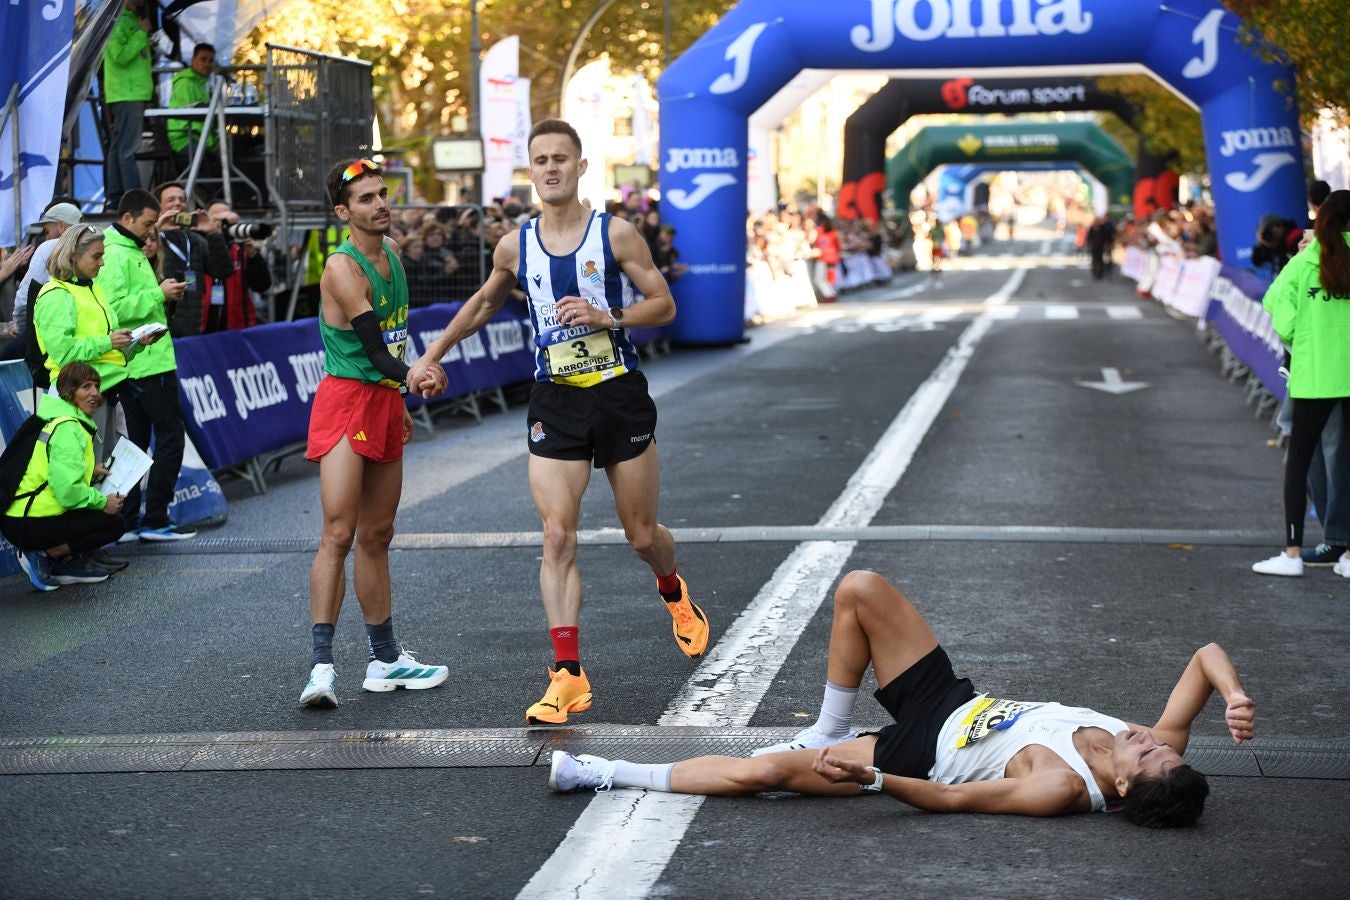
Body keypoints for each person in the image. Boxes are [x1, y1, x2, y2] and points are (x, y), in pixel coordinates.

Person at [406, 119, 709, 725]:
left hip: (618, 394)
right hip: (556, 400)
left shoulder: (616, 234)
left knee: (642, 536)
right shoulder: (515, 245)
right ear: (531, 169)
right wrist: (431, 355)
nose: (550, 168)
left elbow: (664, 304)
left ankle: (674, 592)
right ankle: (567, 674)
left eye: (560, 159)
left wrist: (607, 317)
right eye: (540, 159)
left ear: (580, 166)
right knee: (556, 535)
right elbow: (483, 304)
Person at [549, 571, 1255, 829]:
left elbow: (951, 801)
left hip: (922, 751)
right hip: (953, 699)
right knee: (859, 588)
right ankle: (823, 724)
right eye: (1160, 743)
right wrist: (1233, 694)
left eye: (1150, 753)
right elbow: (1204, 657)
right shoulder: (1154, 749)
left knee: (764, 777)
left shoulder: (1058, 789)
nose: (1150, 738)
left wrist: (877, 778)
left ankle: (603, 772)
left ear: (1127, 790)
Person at [297, 158, 448, 709]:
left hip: (384, 401)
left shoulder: (392, 258)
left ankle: (385, 661)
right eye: (366, 198)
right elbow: (375, 351)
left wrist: (405, 388)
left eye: (382, 194)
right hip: (346, 401)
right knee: (338, 532)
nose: (380, 204)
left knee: (377, 535)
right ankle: (320, 669)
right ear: (343, 211)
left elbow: (399, 343)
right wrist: (412, 375)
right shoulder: (343, 267)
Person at [1252, 190, 1350, 577]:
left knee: (1299, 463)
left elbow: (1282, 317)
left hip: (1314, 374)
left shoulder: (1304, 261)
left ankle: (1292, 554)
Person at [96, 188, 196, 542]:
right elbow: (114, 309)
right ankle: (154, 519)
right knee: (170, 435)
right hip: (145, 361)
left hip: (142, 359)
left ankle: (128, 519)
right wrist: (159, 293)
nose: (152, 231)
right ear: (127, 218)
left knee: (135, 442)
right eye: (147, 224)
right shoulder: (116, 251)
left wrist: (160, 296)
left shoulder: (126, 248)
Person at [32, 224, 160, 460]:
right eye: (96, 256)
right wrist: (108, 342)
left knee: (112, 475)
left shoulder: (94, 289)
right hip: (77, 398)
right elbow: (65, 355)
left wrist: (135, 343)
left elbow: (108, 353)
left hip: (105, 392)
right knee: (92, 477)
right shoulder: (56, 295)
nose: (102, 263)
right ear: (73, 257)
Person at [2, 362, 131, 591]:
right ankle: (45, 553)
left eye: (97, 386)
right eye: (86, 387)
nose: (95, 393)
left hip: (24, 516)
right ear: (70, 393)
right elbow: (68, 493)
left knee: (103, 513)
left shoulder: (63, 420)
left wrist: (90, 473)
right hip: (27, 522)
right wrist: (103, 501)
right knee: (113, 522)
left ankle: (61, 559)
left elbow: (50, 473)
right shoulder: (68, 428)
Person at [5, 201, 82, 365]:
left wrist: (21, 329)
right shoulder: (96, 248)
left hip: (50, 336)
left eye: (47, 231)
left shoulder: (49, 247)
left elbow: (24, 300)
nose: (45, 236)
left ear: (61, 226)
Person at [153, 182, 232, 337]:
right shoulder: (151, 241)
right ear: (159, 207)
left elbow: (223, 270)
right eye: (171, 200)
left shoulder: (195, 240)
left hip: (193, 328)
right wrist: (156, 230)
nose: (178, 203)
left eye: (182, 199)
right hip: (160, 330)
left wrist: (213, 233)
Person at [101, 0, 154, 208]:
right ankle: (135, 201)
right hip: (127, 93)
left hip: (128, 93)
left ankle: (115, 198)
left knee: (118, 148)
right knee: (127, 148)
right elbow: (120, 56)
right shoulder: (116, 21)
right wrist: (141, 34)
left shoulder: (128, 19)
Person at [201, 200, 271, 331]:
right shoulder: (199, 245)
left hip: (237, 327)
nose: (224, 224)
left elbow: (262, 285)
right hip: (204, 327)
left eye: (227, 219)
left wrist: (253, 254)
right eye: (219, 218)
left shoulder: (240, 248)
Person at [166, 43, 220, 178]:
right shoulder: (185, 83)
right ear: (192, 60)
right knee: (209, 159)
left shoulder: (201, 83)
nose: (207, 64)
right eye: (203, 59)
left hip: (194, 138)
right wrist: (214, 147)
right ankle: (207, 197)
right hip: (184, 139)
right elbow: (194, 118)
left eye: (211, 60)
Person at [1085, 214, 1116, 281]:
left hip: (1101, 246)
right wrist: (1088, 245)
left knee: (1100, 260)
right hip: (1094, 246)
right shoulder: (1092, 228)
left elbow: (1106, 237)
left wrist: (1108, 244)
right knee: (1094, 260)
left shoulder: (1103, 228)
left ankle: (1100, 274)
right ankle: (1095, 273)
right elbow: (1089, 238)